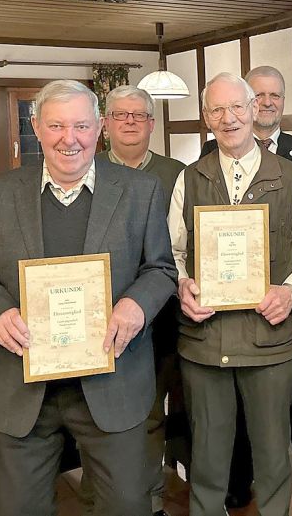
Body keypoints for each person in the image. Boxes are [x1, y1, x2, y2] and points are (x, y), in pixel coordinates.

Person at [0, 79, 177, 515]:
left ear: (99, 129)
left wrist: (137, 304)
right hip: (24, 386)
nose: (68, 138)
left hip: (114, 382)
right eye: (56, 125)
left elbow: (161, 268)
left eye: (80, 125)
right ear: (36, 127)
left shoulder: (139, 191)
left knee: (128, 506)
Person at [169, 72, 292, 516]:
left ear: (254, 109)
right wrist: (182, 284)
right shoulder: (189, 179)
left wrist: (291, 291)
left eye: (238, 106)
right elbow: (171, 252)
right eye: (217, 110)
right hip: (205, 344)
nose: (229, 117)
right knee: (208, 458)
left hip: (270, 342)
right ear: (206, 118)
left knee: (275, 455)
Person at [88, 85, 186, 516]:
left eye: (139, 115)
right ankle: (99, 496)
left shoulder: (178, 173)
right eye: (120, 115)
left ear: (151, 123)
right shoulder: (83, 169)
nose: (129, 122)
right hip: (103, 320)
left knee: (152, 413)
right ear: (106, 124)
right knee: (102, 416)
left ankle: (150, 497)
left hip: (169, 315)